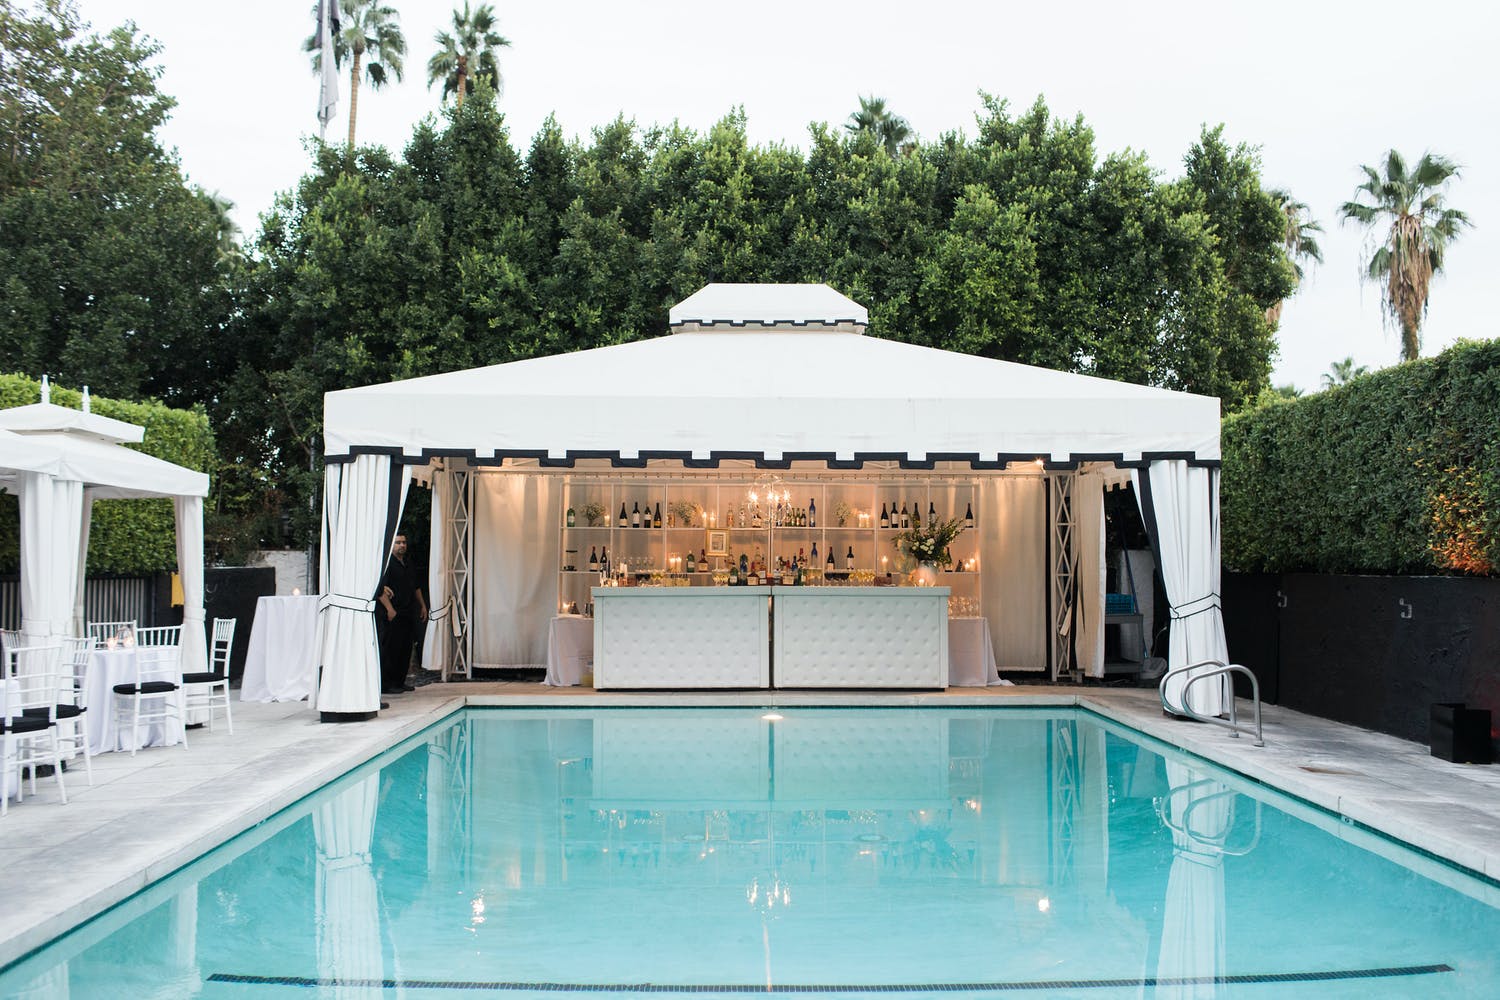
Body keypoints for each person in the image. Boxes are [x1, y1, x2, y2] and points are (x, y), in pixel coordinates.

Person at [377, 533, 427, 694]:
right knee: (392, 648)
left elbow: (416, 586)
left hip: (408, 611)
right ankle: (388, 683)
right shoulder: (386, 565)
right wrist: (390, 609)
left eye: (404, 542)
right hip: (393, 612)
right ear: (392, 545)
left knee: (405, 648)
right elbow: (380, 590)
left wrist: (422, 605)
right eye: (398, 542)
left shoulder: (408, 563)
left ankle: (400, 681)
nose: (402, 545)